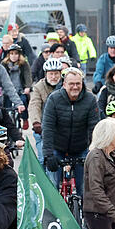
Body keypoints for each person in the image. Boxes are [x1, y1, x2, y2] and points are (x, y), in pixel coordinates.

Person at [42, 68, 100, 197]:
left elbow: (94, 128)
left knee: (85, 188)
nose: (75, 87)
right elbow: (48, 128)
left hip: (81, 147)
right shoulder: (54, 99)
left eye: (78, 83)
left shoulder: (90, 99)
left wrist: (94, 152)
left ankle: (83, 209)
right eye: (71, 84)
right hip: (58, 147)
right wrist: (48, 155)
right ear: (64, 84)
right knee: (52, 185)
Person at [29, 58, 63, 161]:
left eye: (56, 73)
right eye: (51, 74)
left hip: (61, 127)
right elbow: (34, 105)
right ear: (46, 74)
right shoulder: (39, 87)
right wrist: (36, 122)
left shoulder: (66, 85)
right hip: (43, 127)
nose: (53, 77)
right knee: (43, 158)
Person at [1, 44, 33, 109]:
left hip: (20, 90)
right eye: (11, 54)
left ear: (19, 55)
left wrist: (27, 87)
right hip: (7, 91)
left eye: (16, 54)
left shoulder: (24, 64)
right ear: (9, 55)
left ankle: (24, 115)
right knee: (6, 106)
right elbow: (1, 77)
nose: (14, 56)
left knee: (24, 102)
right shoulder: (4, 64)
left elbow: (27, 76)